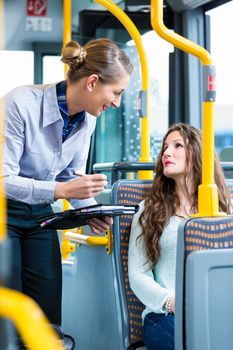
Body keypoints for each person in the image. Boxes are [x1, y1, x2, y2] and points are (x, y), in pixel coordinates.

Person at [3, 38, 133, 346]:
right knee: (10, 313)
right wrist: (61, 190)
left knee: (48, 317)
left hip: (41, 219)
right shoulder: (20, 104)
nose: (116, 103)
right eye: (116, 93)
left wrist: (89, 211)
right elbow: (3, 179)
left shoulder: (86, 121)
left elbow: (70, 177)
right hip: (2, 215)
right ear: (92, 82)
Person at [128, 123, 231, 350]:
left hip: (218, 308)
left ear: (196, 152)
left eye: (177, 146)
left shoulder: (224, 207)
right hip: (165, 314)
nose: (166, 152)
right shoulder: (148, 211)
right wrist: (171, 301)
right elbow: (137, 274)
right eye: (165, 147)